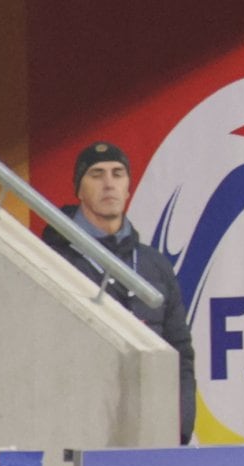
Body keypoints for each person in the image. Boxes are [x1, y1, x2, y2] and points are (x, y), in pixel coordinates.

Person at [42, 139, 186, 348]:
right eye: (96, 174)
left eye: (117, 174)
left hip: (149, 379)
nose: (109, 184)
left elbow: (180, 348)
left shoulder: (155, 264)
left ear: (127, 189)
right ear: (79, 191)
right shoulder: (55, 259)